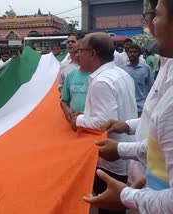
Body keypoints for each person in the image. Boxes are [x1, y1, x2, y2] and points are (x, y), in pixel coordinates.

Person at [83, 0, 173, 213]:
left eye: (157, 15)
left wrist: (126, 196)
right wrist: (125, 131)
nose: (151, 24)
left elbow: (101, 120)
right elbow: (157, 129)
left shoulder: (103, 81)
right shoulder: (167, 64)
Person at [70, 32, 137, 214]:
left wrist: (79, 119)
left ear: (92, 54)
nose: (77, 55)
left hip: (109, 160)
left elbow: (104, 122)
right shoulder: (121, 74)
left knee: (108, 208)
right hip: (122, 153)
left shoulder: (102, 81)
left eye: (80, 51)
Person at [60, 38, 90, 122]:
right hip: (74, 122)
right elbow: (64, 101)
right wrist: (66, 109)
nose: (77, 55)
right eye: (76, 52)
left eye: (80, 51)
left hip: (93, 124)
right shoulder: (70, 75)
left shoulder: (97, 75)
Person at [121, 44, 154, 117]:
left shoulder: (146, 68)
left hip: (141, 107)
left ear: (139, 54)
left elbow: (151, 87)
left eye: (135, 52)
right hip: (127, 107)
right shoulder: (122, 69)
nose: (132, 54)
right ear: (127, 54)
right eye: (130, 52)